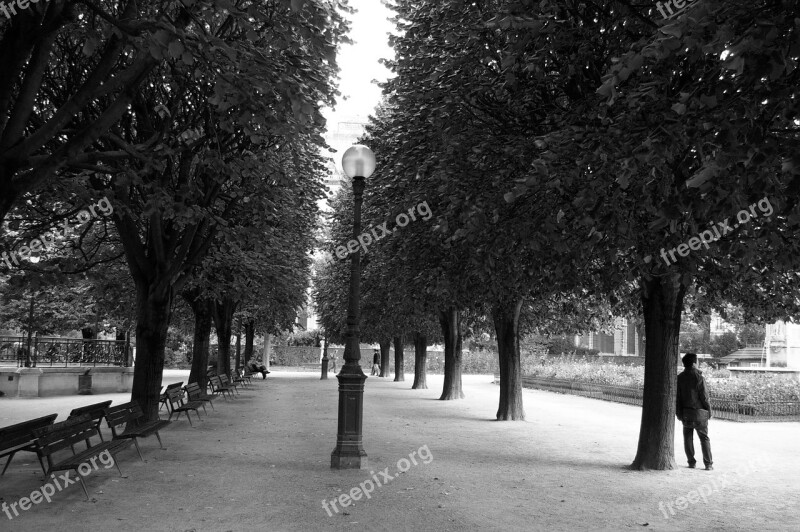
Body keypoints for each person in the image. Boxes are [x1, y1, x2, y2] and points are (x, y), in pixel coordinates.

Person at [676, 353, 713, 470]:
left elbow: (677, 398)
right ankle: (708, 464)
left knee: (687, 437)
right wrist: (709, 410)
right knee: (704, 438)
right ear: (693, 363)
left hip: (686, 412)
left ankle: (691, 462)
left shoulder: (680, 378)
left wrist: (679, 413)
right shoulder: (699, 378)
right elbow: (704, 397)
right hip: (699, 413)